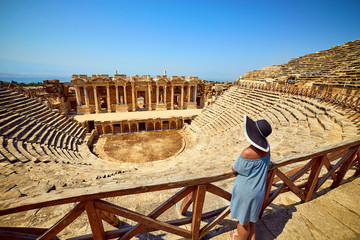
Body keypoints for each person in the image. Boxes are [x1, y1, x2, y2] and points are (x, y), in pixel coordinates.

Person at [229, 115, 272, 240]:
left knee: (243, 221)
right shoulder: (267, 148)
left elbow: (235, 169)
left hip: (246, 191)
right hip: (258, 190)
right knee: (252, 220)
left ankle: (238, 239)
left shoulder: (248, 152)